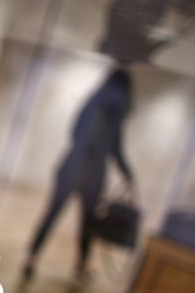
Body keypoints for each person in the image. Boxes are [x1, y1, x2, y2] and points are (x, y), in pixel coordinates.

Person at [22, 67, 135, 280]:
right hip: (88, 173)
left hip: (74, 168)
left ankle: (35, 258)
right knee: (84, 221)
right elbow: (113, 148)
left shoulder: (93, 106)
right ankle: (77, 264)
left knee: (61, 215)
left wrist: (125, 171)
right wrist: (126, 172)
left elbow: (76, 135)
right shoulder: (111, 115)